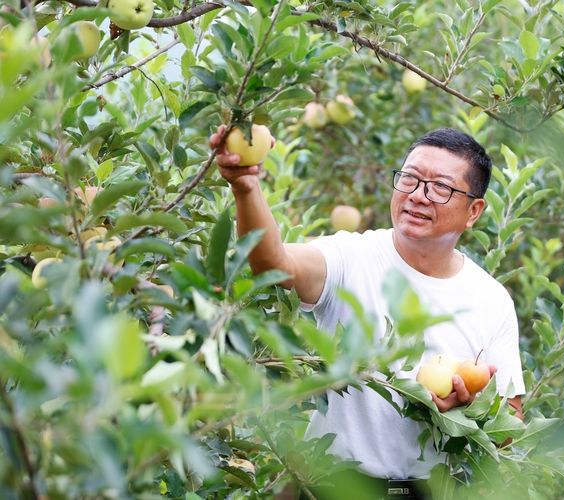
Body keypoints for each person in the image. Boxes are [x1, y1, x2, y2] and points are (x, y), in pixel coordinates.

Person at [209, 125, 526, 500]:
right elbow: (274, 264)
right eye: (409, 178)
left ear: (473, 211)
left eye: (440, 187)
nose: (417, 196)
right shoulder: (351, 256)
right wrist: (246, 187)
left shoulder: (490, 299)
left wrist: (471, 408)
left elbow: (509, 430)